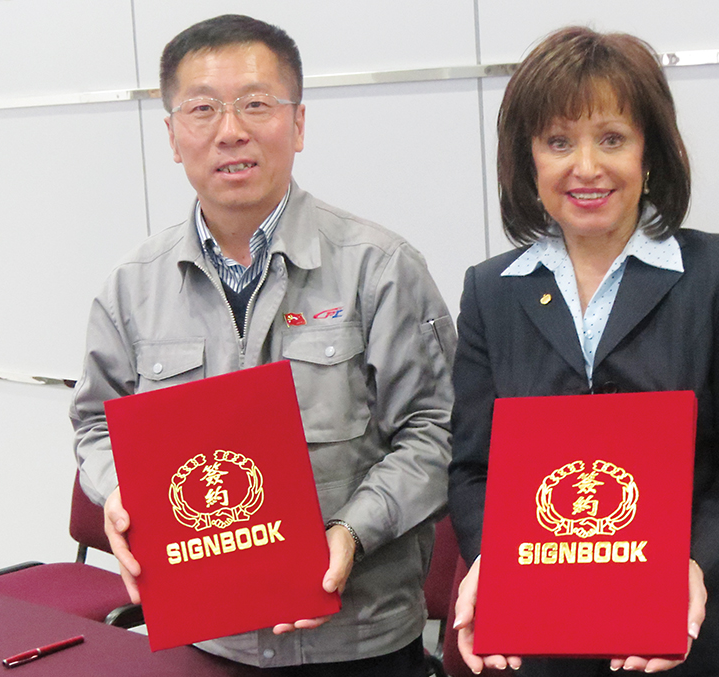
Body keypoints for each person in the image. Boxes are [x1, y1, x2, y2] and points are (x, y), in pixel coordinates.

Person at [70, 14, 455, 675]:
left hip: (361, 639)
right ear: (172, 134)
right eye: (202, 109)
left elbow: (438, 428)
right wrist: (117, 494)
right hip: (207, 638)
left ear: (298, 123)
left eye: (255, 104)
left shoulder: (380, 267)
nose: (230, 131)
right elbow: (94, 423)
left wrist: (352, 530)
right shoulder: (132, 287)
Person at [448, 27, 719, 677]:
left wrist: (692, 564)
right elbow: (473, 469)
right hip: (543, 642)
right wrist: (487, 564)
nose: (586, 166)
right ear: (528, 159)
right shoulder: (490, 292)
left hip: (707, 637)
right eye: (559, 141)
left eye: (611, 138)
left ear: (650, 152)